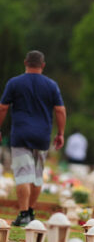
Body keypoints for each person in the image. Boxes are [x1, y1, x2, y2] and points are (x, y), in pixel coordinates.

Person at [0, 50, 66, 226]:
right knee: (36, 175)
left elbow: (3, 108)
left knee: (23, 174)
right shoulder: (51, 85)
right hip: (42, 136)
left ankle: (23, 214)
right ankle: (30, 211)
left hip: (21, 134)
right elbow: (60, 110)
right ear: (43, 65)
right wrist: (60, 133)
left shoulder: (14, 83)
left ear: (25, 63)